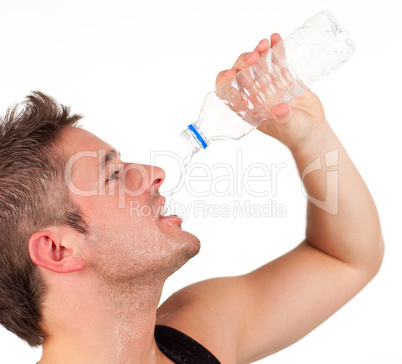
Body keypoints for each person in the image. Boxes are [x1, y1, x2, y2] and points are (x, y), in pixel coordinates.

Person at [0, 34, 384, 364]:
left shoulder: (199, 327)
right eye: (113, 175)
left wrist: (309, 136)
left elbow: (345, 258)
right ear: (57, 250)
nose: (155, 173)